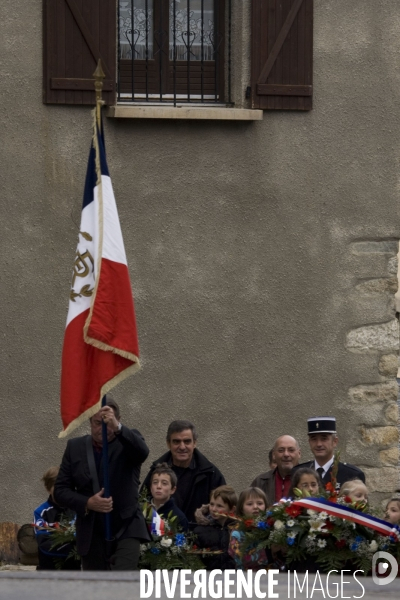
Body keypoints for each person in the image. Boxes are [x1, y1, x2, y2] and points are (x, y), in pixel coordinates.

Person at [54, 395, 150, 570]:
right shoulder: (75, 447)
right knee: (96, 588)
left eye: (109, 422)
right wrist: (88, 503)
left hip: (126, 527)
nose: (103, 428)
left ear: (118, 420)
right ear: (90, 422)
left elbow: (142, 453)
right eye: (98, 423)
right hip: (92, 531)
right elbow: (60, 491)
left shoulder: (129, 440)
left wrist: (118, 428)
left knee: (122, 584)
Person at [141, 420, 226, 526]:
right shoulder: (156, 472)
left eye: (187, 441)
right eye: (176, 442)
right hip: (163, 536)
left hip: (199, 537)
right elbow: (143, 502)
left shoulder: (210, 474)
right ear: (168, 444)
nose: (182, 447)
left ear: (195, 443)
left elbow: (225, 510)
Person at [292, 416, 365, 491]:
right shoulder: (297, 472)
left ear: (335, 441)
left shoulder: (351, 474)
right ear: (309, 442)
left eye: (324, 439)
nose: (318, 444)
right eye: (314, 439)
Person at [34, 466, 80, 570]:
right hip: (48, 570)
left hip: (73, 570)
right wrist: (73, 545)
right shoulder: (41, 512)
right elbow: (45, 543)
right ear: (48, 489)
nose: (62, 493)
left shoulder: (76, 509)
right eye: (58, 488)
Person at [193, 485, 237, 570]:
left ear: (232, 509)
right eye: (212, 504)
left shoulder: (237, 529)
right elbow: (195, 560)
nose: (214, 509)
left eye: (219, 506)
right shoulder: (200, 531)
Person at [250, 435, 301, 506]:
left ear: (299, 453)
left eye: (291, 450)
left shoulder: (309, 481)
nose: (286, 454)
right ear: (274, 455)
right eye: (281, 450)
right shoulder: (261, 481)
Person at [228, 487, 268, 570]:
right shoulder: (237, 532)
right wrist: (269, 553)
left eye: (260, 503)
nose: (255, 507)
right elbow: (241, 558)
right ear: (241, 508)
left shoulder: (269, 528)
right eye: (250, 504)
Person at [149, 463, 189, 531]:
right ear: (150, 487)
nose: (158, 486)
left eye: (164, 483)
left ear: (173, 490)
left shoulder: (179, 517)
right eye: (155, 482)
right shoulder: (141, 510)